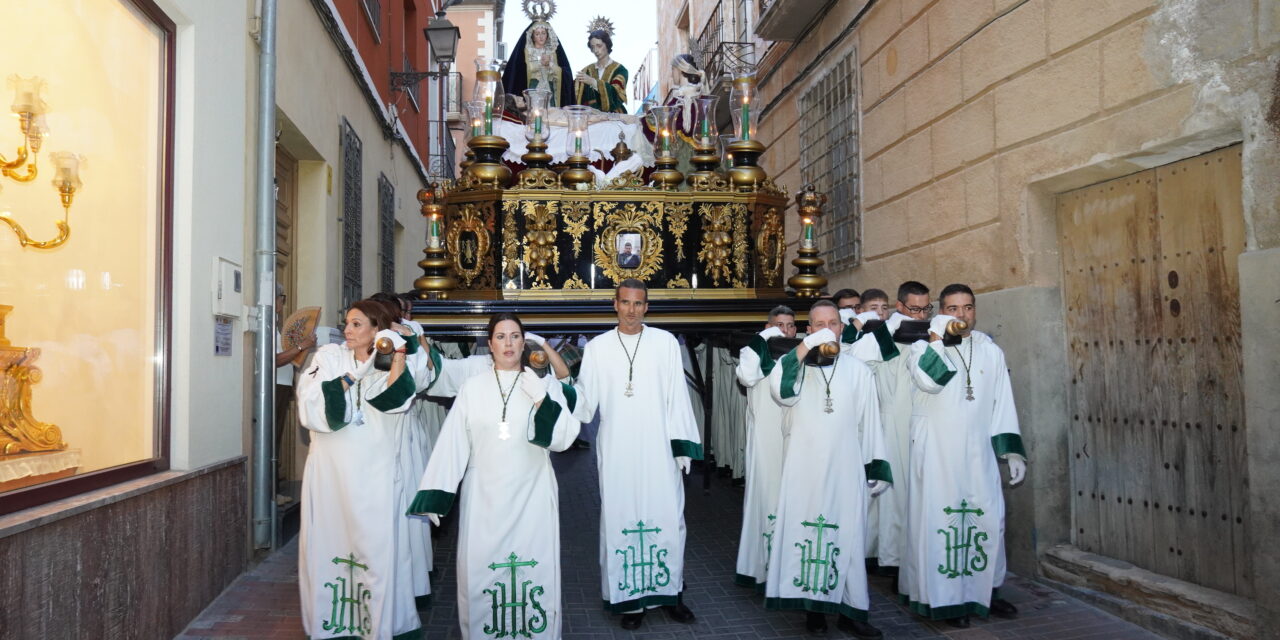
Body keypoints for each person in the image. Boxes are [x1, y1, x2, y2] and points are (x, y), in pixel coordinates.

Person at [408, 312, 580, 639]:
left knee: (535, 569)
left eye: (514, 336)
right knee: (481, 573)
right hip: (484, 498)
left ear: (524, 341)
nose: (508, 343)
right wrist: (435, 494)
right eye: (500, 337)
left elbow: (565, 439)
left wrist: (542, 398)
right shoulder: (473, 388)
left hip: (532, 496)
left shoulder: (543, 384)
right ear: (490, 344)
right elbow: (453, 442)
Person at [295, 299, 430, 640]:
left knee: (377, 549)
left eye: (357, 324)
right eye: (347, 323)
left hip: (376, 474)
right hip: (332, 476)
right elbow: (310, 404)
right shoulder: (328, 357)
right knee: (331, 546)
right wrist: (354, 373)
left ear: (376, 329)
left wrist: (397, 352)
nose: (347, 330)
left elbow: (396, 401)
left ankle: (382, 625)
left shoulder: (391, 361)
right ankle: (333, 625)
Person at [571, 279, 701, 629]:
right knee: (620, 521)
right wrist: (557, 386)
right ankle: (629, 603)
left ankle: (671, 594)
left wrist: (683, 447)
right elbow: (584, 403)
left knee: (669, 521)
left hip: (659, 450)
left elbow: (677, 398)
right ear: (615, 304)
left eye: (638, 303)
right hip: (618, 453)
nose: (632, 309)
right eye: (625, 302)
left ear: (647, 307)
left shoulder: (665, 343)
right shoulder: (598, 348)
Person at [900, 283, 1027, 628]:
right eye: (953, 309)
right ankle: (946, 601)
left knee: (988, 520)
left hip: (978, 451)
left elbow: (1003, 402)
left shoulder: (989, 350)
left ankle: (987, 592)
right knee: (940, 523)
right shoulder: (921, 349)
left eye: (968, 308)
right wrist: (937, 340)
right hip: (938, 452)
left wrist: (1012, 451)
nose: (962, 315)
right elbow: (931, 381)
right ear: (941, 312)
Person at [765, 300, 889, 639]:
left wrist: (874, 466)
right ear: (808, 330)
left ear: (840, 327)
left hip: (846, 469)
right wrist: (805, 348)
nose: (826, 330)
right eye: (818, 324)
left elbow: (871, 423)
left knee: (848, 539)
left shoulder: (858, 370)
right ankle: (814, 610)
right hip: (805, 470)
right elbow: (781, 392)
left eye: (832, 323)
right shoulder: (796, 365)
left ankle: (852, 612)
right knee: (809, 536)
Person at [841, 282, 932, 582]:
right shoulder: (884, 333)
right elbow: (852, 358)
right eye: (914, 309)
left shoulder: (931, 333)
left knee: (917, 491)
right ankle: (891, 559)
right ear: (901, 307)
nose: (920, 315)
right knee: (894, 494)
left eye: (925, 309)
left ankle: (912, 554)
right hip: (891, 420)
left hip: (923, 421)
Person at [734, 305, 796, 591]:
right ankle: (761, 566)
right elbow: (747, 376)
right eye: (778, 326)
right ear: (767, 327)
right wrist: (766, 339)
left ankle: (791, 564)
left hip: (796, 436)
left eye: (790, 326)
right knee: (766, 497)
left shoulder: (803, 354)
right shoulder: (752, 352)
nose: (785, 331)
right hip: (766, 437)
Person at [274, 284, 316, 499]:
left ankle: (273, 491)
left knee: (276, 438)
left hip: (282, 388)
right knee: (271, 440)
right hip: (273, 390)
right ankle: (270, 493)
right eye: (282, 297)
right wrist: (301, 347)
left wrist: (305, 346)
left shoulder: (275, 327)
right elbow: (274, 360)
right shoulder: (266, 326)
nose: (283, 302)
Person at [503, 20, 574, 107]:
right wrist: (538, 66)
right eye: (537, 34)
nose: (541, 37)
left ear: (547, 34)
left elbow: (564, 73)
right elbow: (518, 73)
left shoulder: (553, 52)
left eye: (543, 33)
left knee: (550, 114)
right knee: (534, 113)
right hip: (533, 89)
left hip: (550, 91)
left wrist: (550, 64)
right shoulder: (527, 52)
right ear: (532, 37)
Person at [574, 30, 628, 113]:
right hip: (589, 116)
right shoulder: (586, 70)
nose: (596, 50)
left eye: (599, 46)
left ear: (607, 45)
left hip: (613, 115)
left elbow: (617, 95)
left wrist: (593, 82)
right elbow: (576, 95)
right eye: (593, 47)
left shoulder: (620, 70)